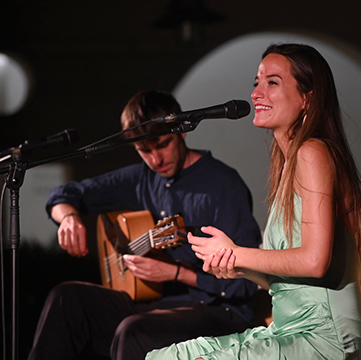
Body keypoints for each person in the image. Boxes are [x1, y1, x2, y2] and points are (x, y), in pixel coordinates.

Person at [146, 43, 361, 360]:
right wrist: (236, 264)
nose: (256, 93)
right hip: (290, 330)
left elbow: (315, 261)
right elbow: (286, 283)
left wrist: (241, 253)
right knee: (165, 357)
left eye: (272, 82)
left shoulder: (314, 153)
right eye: (257, 82)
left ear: (307, 97)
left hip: (326, 340)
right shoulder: (290, 163)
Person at [28, 90, 262, 360]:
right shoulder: (141, 178)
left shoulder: (223, 184)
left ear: (182, 132)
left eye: (162, 144)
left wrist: (176, 274)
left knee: (134, 330)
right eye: (144, 151)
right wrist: (68, 218)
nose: (155, 160)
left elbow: (245, 284)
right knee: (67, 298)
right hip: (156, 303)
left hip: (219, 308)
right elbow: (64, 195)